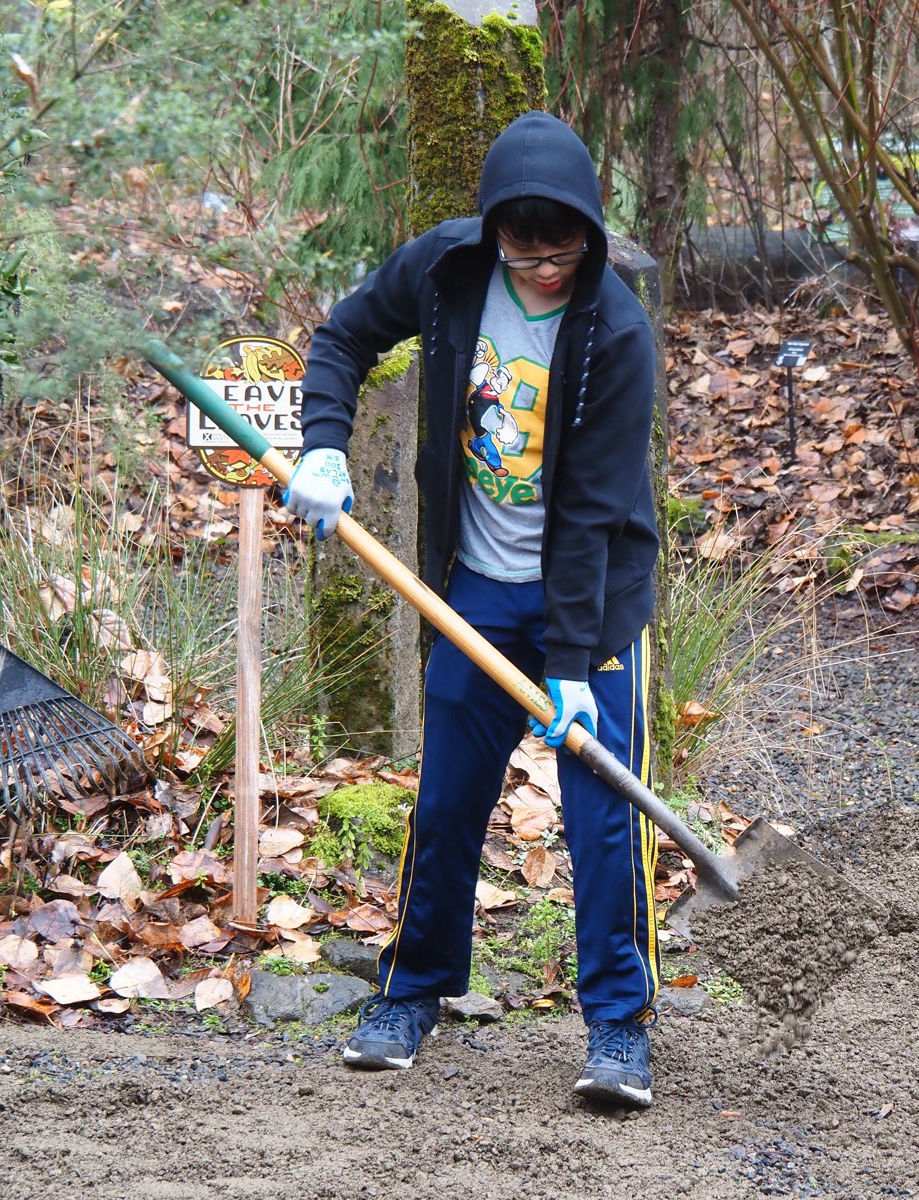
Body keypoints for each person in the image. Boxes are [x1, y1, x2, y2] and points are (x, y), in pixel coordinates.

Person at [284, 111, 661, 1108]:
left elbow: (589, 517)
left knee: (602, 819)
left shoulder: (618, 332)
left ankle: (618, 1027)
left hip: (593, 605)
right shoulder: (448, 271)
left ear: (591, 230)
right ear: (494, 230)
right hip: (475, 593)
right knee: (447, 799)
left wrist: (573, 666)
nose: (542, 268)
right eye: (523, 248)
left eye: (563, 248)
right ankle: (411, 994)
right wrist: (324, 444)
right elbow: (343, 336)